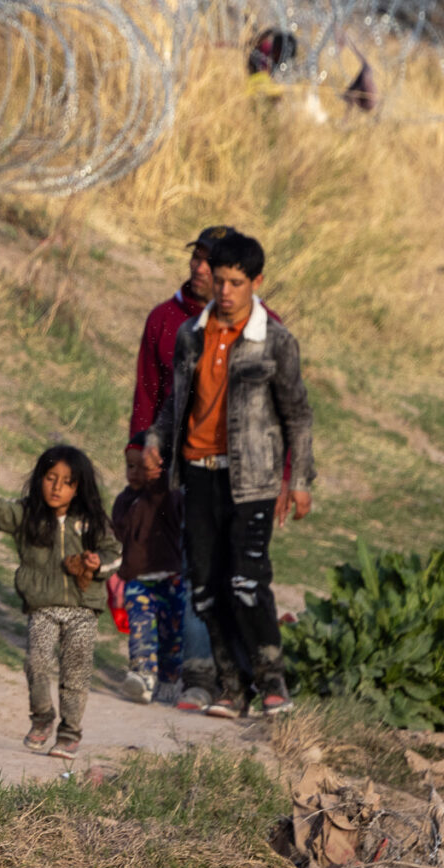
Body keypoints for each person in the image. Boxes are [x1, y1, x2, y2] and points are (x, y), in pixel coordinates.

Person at [145, 231, 315, 719]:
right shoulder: (189, 336)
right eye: (219, 281)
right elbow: (175, 405)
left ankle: (271, 680)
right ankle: (231, 686)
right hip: (198, 475)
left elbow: (297, 414)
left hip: (253, 480)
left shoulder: (275, 342)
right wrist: (156, 442)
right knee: (204, 585)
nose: (224, 291)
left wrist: (299, 480)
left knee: (246, 582)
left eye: (235, 282)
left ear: (256, 282)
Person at [126, 229, 232, 710]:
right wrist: (138, 450)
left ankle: (228, 673)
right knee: (184, 569)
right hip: (178, 470)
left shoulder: (259, 326)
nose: (200, 268)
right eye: (197, 257)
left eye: (211, 262)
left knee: (228, 574)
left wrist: (286, 475)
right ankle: (193, 676)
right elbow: (149, 393)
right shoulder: (165, 321)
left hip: (238, 474)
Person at [0, 447, 119, 758]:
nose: (56, 487)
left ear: (79, 487)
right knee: (36, 663)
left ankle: (69, 733)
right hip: (43, 608)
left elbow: (114, 552)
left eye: (66, 481)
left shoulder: (92, 522)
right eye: (50, 478)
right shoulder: (27, 516)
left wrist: (97, 563)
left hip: (83, 611)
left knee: (75, 672)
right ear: (39, 479)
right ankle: (42, 718)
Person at [111, 458, 189, 704]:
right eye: (130, 466)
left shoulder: (168, 496)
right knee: (140, 628)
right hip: (139, 580)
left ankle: (169, 681)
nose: (134, 473)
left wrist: (156, 483)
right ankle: (142, 676)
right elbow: (119, 534)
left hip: (171, 580)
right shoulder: (124, 501)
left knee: (172, 635)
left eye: (142, 468)